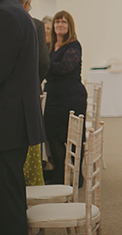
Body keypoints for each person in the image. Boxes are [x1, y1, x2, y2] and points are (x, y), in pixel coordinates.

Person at [0, 0, 45, 235]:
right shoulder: (13, 11)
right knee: (8, 202)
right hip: (10, 125)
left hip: (2, 128)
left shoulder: (5, 13)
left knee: (5, 211)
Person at [44, 11, 88, 185]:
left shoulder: (74, 45)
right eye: (57, 22)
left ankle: (77, 175)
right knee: (53, 135)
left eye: (64, 22)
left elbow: (64, 67)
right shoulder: (50, 45)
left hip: (72, 97)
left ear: (70, 26)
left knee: (73, 137)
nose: (60, 25)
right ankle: (60, 174)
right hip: (54, 97)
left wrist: (44, 64)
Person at [12, 0, 49, 186]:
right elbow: (43, 61)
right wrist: (36, 81)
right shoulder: (35, 24)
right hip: (31, 91)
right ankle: (33, 179)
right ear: (27, 5)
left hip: (6, 96)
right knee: (30, 139)